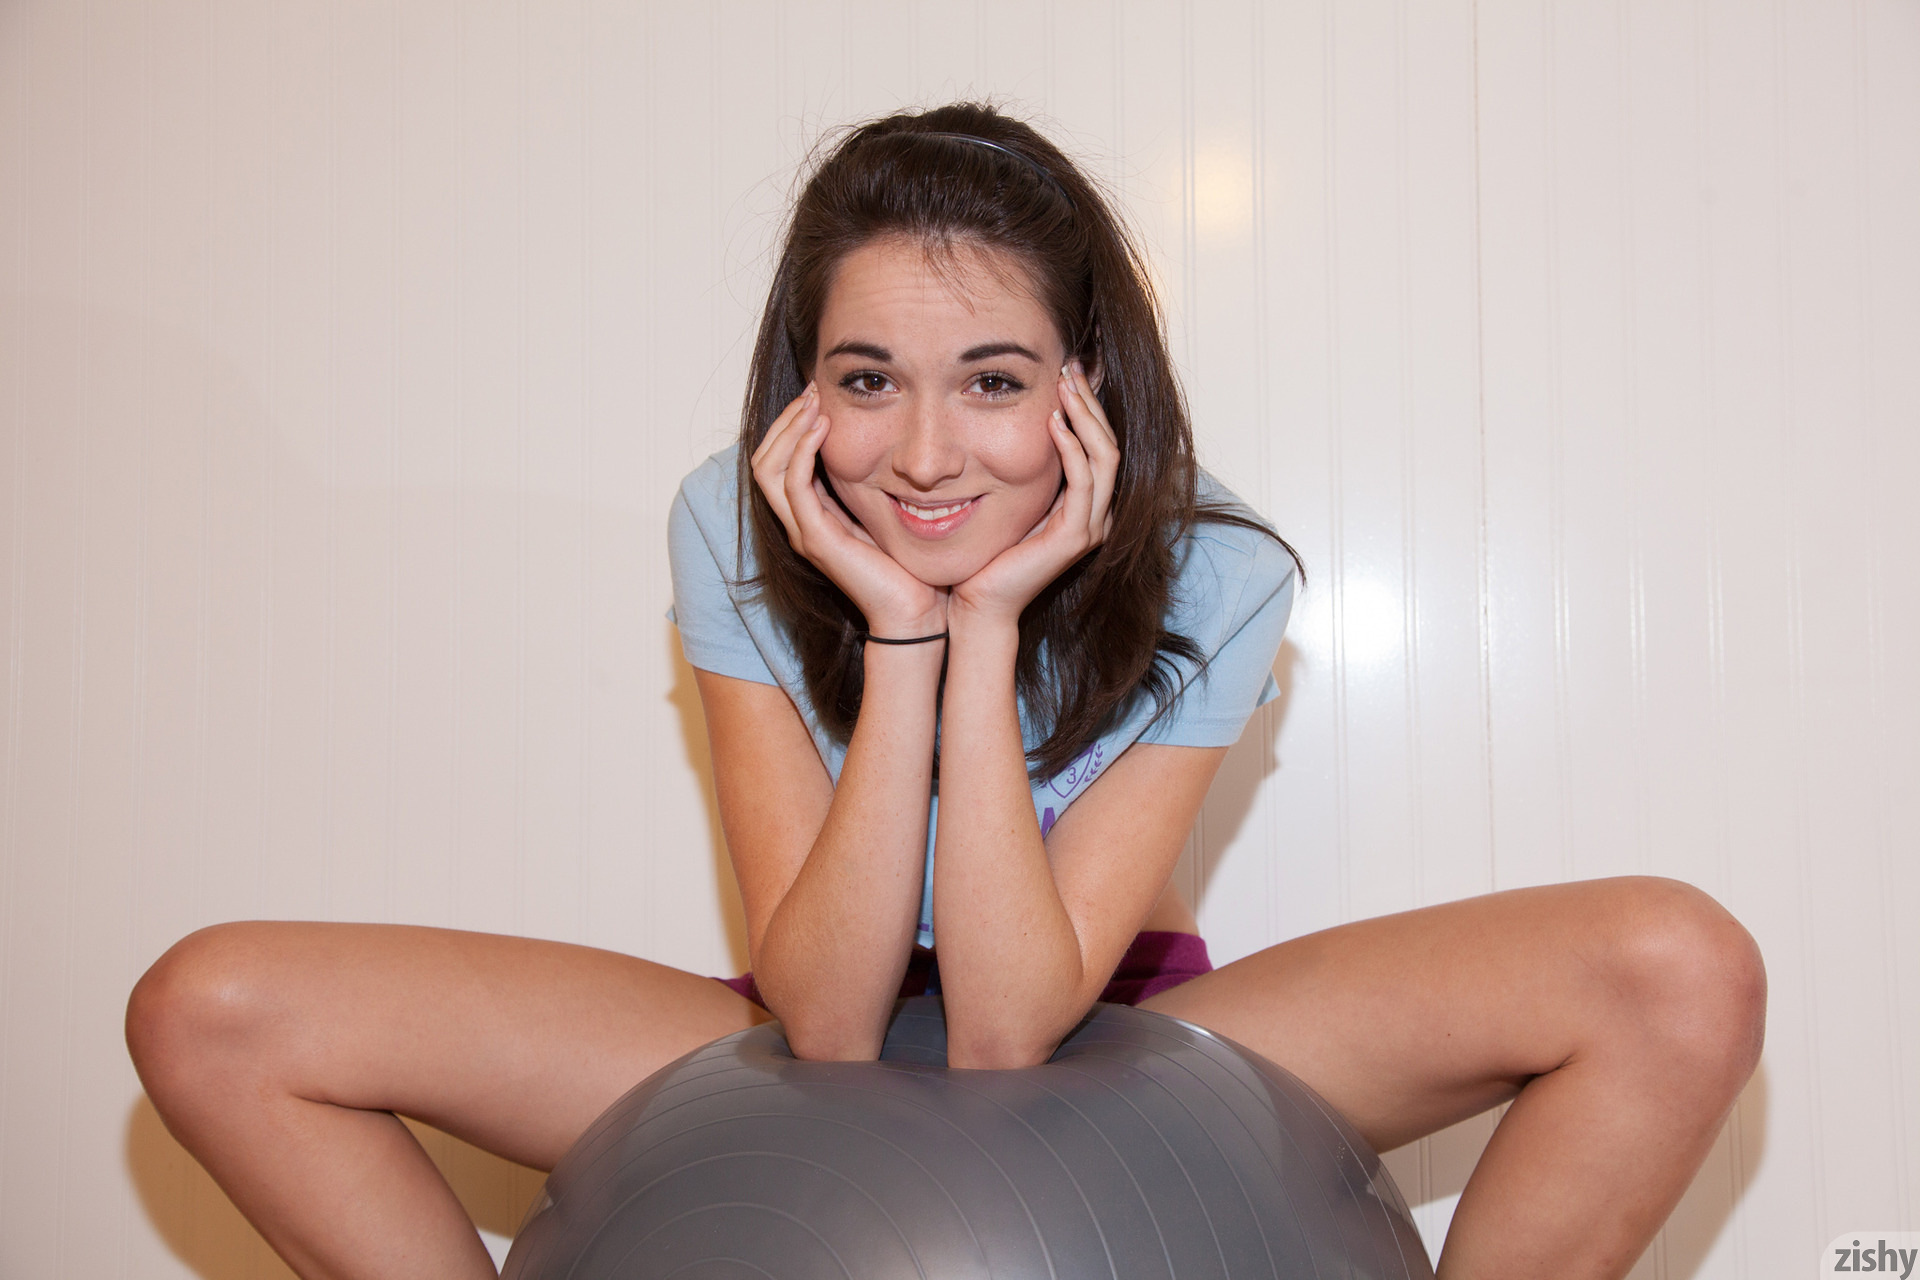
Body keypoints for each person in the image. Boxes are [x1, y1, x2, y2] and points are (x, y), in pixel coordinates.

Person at [126, 103, 1765, 1280]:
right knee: (213, 1008)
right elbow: (830, 1022)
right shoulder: (732, 524)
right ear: (805, 393)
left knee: (1675, 969)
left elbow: (1007, 1025)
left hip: (1121, 1017)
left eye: (991, 380)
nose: (922, 454)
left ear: (1085, 387)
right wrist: (902, 634)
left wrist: (985, 632)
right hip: (802, 1012)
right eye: (868, 381)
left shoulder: (1214, 567)